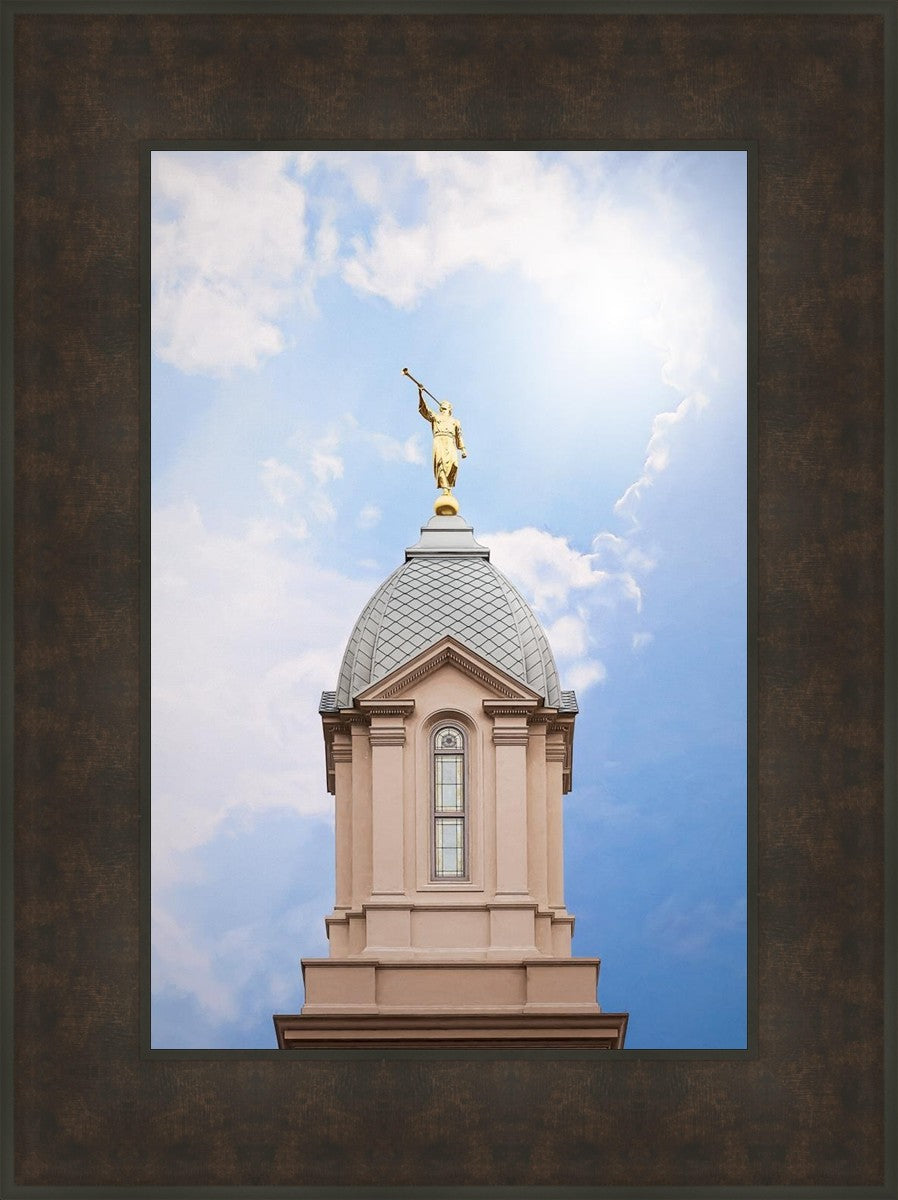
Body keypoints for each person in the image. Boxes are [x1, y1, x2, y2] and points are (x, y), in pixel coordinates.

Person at [418, 389, 467, 492]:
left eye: (446, 405)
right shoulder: (436, 417)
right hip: (439, 439)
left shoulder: (455, 421)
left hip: (450, 440)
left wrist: (463, 449)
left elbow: (459, 435)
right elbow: (425, 410)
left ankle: (449, 484)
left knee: (454, 463)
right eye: (442, 405)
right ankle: (445, 487)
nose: (443, 406)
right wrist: (420, 394)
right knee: (440, 463)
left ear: (450, 408)